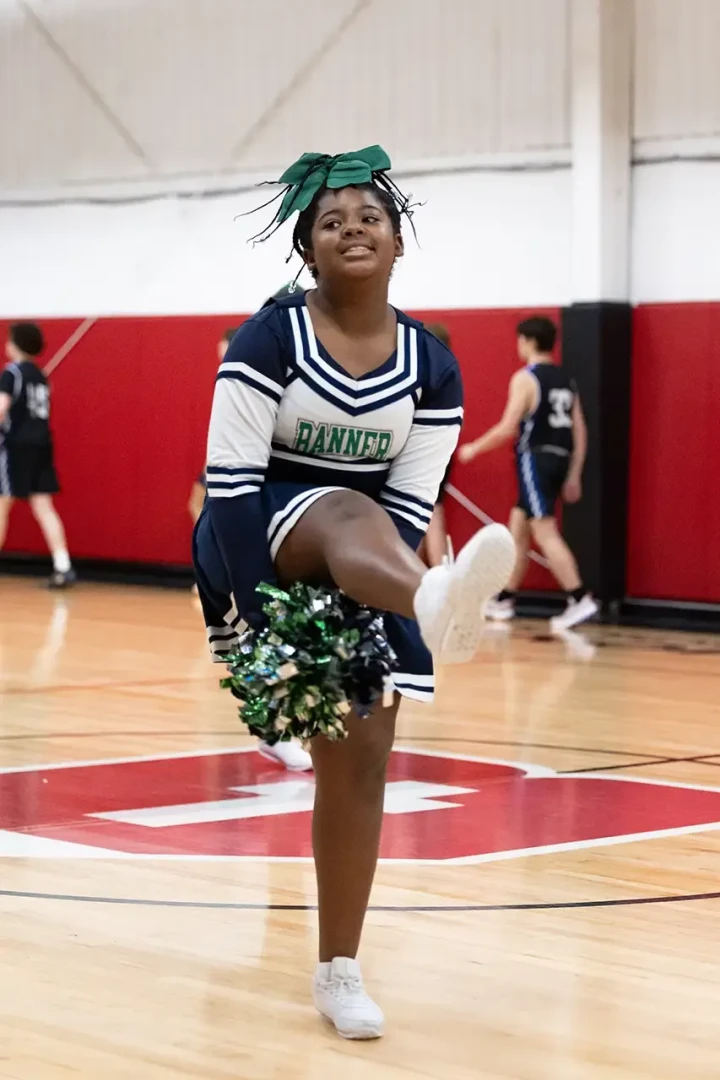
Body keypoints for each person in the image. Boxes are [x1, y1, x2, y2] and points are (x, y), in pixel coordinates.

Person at [192, 146, 515, 1039]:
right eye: (331, 222)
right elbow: (227, 488)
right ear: (308, 250)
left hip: (378, 561)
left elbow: (411, 500)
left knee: (361, 754)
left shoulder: (431, 363)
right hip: (256, 542)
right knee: (337, 506)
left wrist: (387, 591)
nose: (352, 229)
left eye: (370, 217)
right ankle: (437, 597)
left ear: (399, 239)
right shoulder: (271, 339)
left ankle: (339, 970)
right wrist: (258, 628)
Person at [188, 324, 312, 773]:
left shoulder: (292, 402)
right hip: (231, 536)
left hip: (284, 525)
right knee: (246, 639)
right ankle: (273, 730)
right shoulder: (233, 415)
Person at [458, 315, 598, 632]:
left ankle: (578, 597)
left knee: (544, 531)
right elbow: (580, 431)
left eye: (520, 340)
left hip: (535, 458)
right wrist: (574, 473)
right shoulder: (565, 380)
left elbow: (508, 427)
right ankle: (505, 598)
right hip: (560, 458)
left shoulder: (526, 378)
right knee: (518, 529)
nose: (518, 346)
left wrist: (474, 448)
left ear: (529, 341)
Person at [0, 323, 76, 588]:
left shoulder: (11, 374)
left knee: (1, 504)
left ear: (16, 344)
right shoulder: (41, 376)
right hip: (42, 445)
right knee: (44, 507)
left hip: (16, 447)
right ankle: (63, 566)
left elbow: (1, 409)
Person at [418, 323, 454, 567]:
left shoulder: (424, 371)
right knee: (415, 516)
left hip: (425, 448)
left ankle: (442, 578)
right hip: (442, 444)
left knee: (429, 515)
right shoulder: (449, 371)